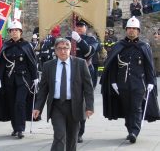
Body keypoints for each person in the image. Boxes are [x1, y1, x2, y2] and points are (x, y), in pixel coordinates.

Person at [101, 16, 160, 144]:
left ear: (138, 31)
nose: (132, 31)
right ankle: (130, 130)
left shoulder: (144, 46)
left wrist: (151, 82)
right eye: (129, 28)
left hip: (139, 83)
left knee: (136, 107)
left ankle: (135, 131)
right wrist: (113, 82)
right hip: (122, 83)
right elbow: (112, 66)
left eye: (134, 29)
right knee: (127, 108)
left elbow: (149, 66)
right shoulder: (119, 45)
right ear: (126, 30)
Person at [33, 38, 94, 151]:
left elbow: (88, 87)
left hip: (75, 106)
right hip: (57, 106)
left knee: (72, 138)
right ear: (55, 51)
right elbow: (43, 89)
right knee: (59, 135)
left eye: (66, 48)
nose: (63, 51)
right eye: (60, 49)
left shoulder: (80, 64)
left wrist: (89, 106)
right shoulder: (48, 66)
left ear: (70, 50)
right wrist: (38, 107)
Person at [0, 20, 38, 139]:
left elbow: (32, 62)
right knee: (11, 103)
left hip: (24, 80)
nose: (14, 32)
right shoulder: (6, 46)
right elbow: (1, 64)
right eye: (12, 30)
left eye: (16, 30)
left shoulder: (27, 45)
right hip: (9, 80)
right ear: (10, 32)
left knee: (20, 103)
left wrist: (35, 77)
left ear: (20, 32)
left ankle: (20, 128)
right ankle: (15, 127)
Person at [68, 20, 99, 143]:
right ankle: (69, 130)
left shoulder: (91, 40)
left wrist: (80, 41)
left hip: (84, 74)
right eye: (77, 26)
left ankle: (79, 132)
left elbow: (89, 52)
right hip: (69, 73)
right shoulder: (68, 39)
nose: (79, 28)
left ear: (86, 28)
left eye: (82, 26)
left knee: (81, 104)